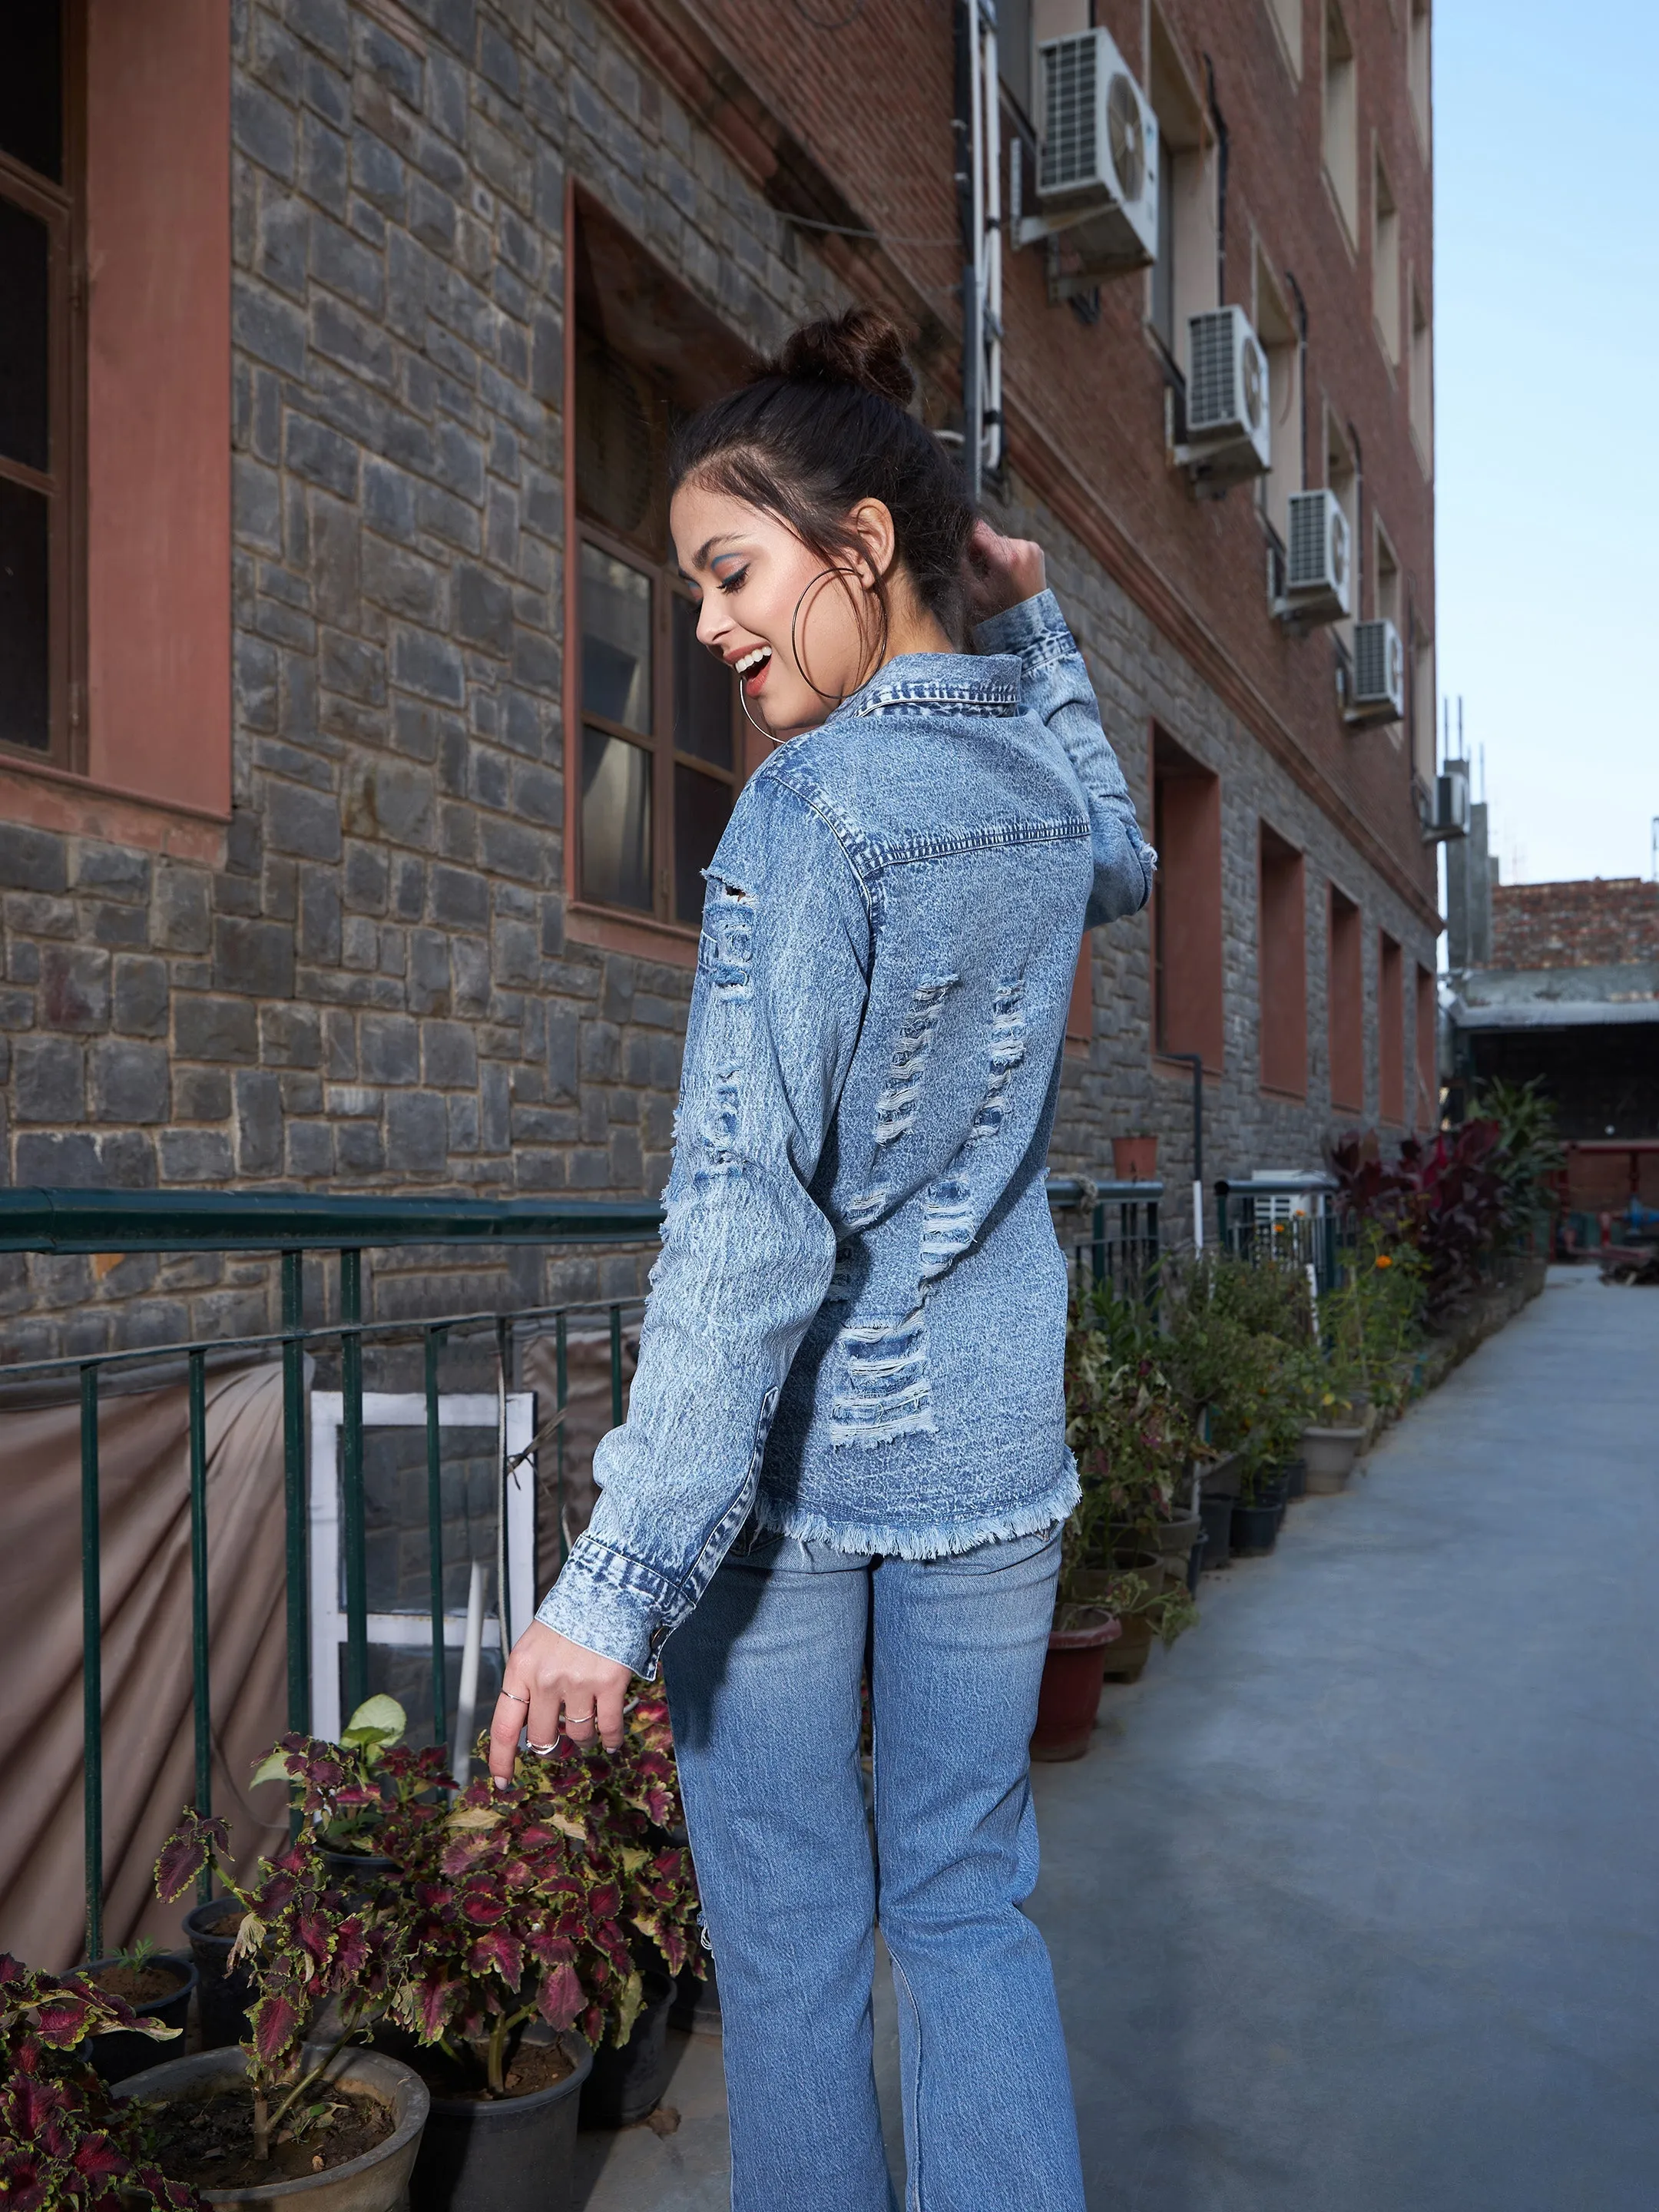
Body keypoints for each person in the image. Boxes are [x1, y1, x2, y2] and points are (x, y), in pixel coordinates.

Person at [488, 306, 1154, 2210]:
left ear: (859, 546)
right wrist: (1025, 620)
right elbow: (1121, 849)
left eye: (731, 569)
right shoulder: (1030, 791)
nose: (704, 625)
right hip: (994, 1473)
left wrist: (611, 1583)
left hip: (789, 1503)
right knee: (967, 1914)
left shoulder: (810, 815)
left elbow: (743, 1229)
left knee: (788, 1960)